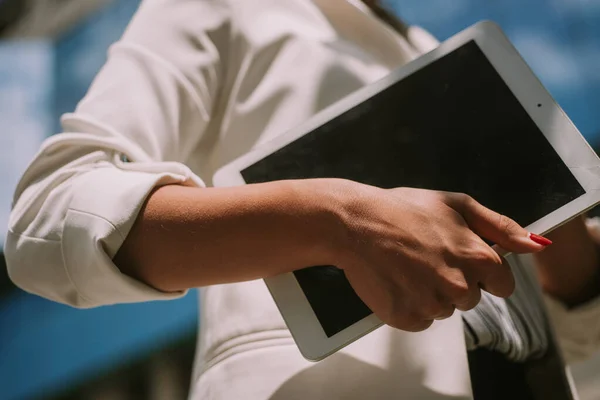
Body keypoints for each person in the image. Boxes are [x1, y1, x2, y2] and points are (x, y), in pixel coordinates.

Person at [5, 0, 600, 398]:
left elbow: (562, 338)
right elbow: (49, 216)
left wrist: (571, 260)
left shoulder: (448, 53)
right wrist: (337, 222)